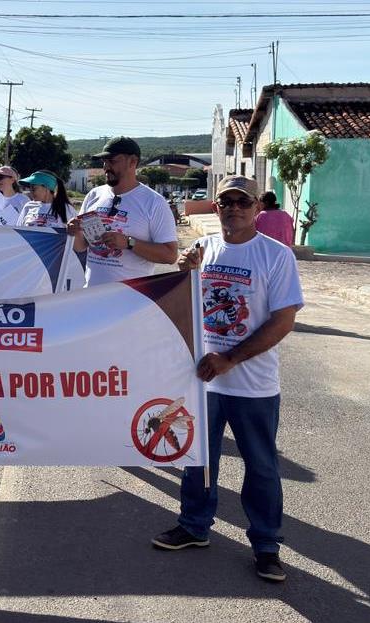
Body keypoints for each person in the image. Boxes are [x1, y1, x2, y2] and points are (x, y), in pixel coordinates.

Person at [152, 175, 304, 583]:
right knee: (197, 458)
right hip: (203, 380)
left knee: (261, 467)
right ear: (216, 207)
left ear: (257, 208)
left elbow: (283, 320)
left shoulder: (276, 255)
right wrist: (183, 275)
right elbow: (184, 307)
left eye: (243, 201)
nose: (234, 208)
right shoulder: (203, 249)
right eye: (226, 201)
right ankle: (194, 525)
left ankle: (267, 545)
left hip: (253, 385)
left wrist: (231, 358)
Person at [66, 137, 178, 286]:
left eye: (112, 161)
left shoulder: (154, 202)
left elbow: (170, 255)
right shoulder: (94, 195)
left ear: (132, 162)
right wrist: (74, 232)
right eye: (104, 162)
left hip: (131, 296)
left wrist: (129, 243)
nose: (106, 167)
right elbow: (81, 247)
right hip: (92, 293)